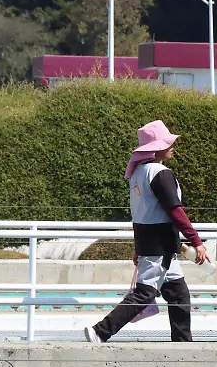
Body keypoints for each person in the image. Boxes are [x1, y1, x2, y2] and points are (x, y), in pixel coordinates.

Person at [85, 120, 210, 343]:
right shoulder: (160, 173)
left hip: (155, 245)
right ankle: (100, 331)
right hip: (159, 246)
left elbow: (141, 213)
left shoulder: (138, 174)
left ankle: (183, 344)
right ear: (157, 148)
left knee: (179, 294)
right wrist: (196, 241)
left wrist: (139, 248)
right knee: (144, 293)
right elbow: (175, 211)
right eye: (168, 143)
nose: (172, 147)